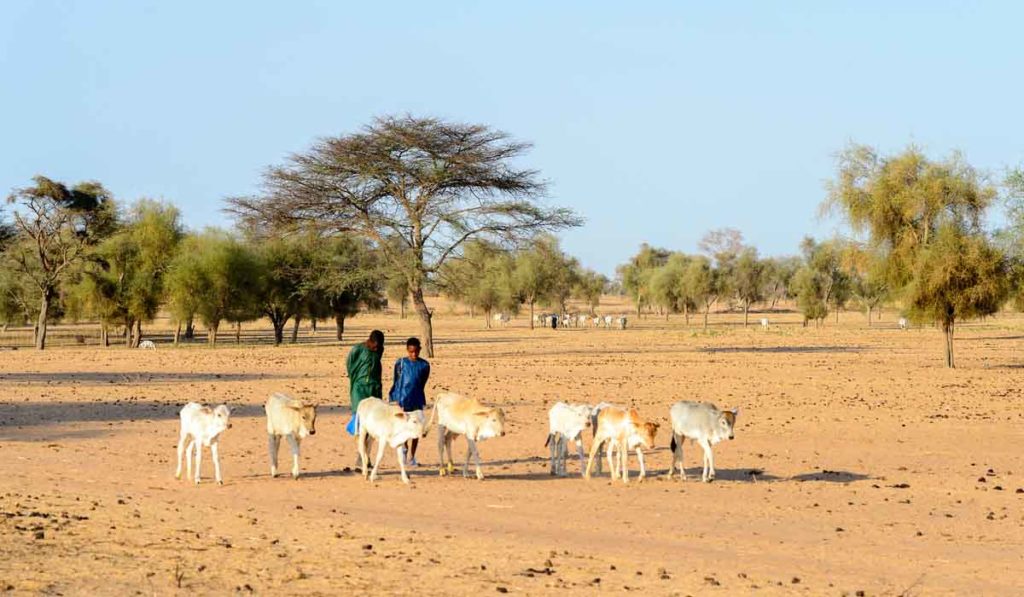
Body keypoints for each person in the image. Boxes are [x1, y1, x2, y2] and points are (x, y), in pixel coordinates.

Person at [388, 337, 430, 465]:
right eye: (411, 351)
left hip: (417, 401)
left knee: (418, 430)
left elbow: (422, 382)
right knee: (405, 428)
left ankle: (413, 456)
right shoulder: (400, 363)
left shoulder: (424, 365)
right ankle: (405, 451)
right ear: (407, 350)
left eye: (416, 351)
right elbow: (396, 380)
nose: (414, 354)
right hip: (403, 401)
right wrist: (395, 398)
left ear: (420, 350)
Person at [345, 330, 384, 436]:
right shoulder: (357, 349)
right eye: (374, 346)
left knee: (373, 414)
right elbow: (350, 364)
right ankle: (357, 436)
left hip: (374, 386)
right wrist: (356, 377)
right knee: (358, 413)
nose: (376, 349)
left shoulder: (380, 350)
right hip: (359, 387)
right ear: (369, 341)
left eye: (378, 347)